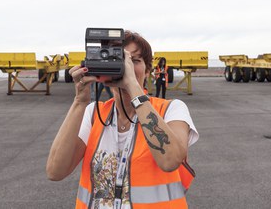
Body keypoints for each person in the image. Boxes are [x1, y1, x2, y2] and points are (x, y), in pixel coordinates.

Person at [47, 31, 199, 208]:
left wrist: (133, 85)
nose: (126, 67)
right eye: (119, 60)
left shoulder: (171, 110)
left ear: (148, 69)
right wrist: (79, 101)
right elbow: (55, 171)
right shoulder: (94, 114)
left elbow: (170, 160)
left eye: (134, 61)